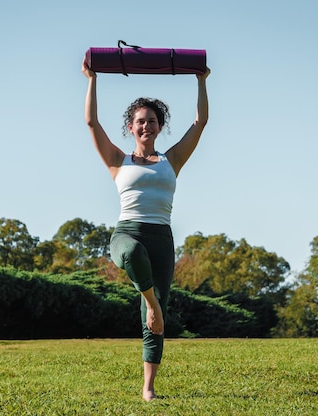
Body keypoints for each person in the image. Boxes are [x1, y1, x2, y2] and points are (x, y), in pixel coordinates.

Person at [82, 58, 210, 401]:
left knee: (155, 320)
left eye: (152, 121)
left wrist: (201, 80)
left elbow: (201, 122)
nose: (146, 127)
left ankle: (148, 388)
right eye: (140, 122)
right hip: (127, 234)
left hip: (162, 239)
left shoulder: (172, 160)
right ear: (130, 127)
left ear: (159, 126)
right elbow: (92, 121)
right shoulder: (116, 160)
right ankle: (151, 304)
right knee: (134, 259)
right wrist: (92, 79)